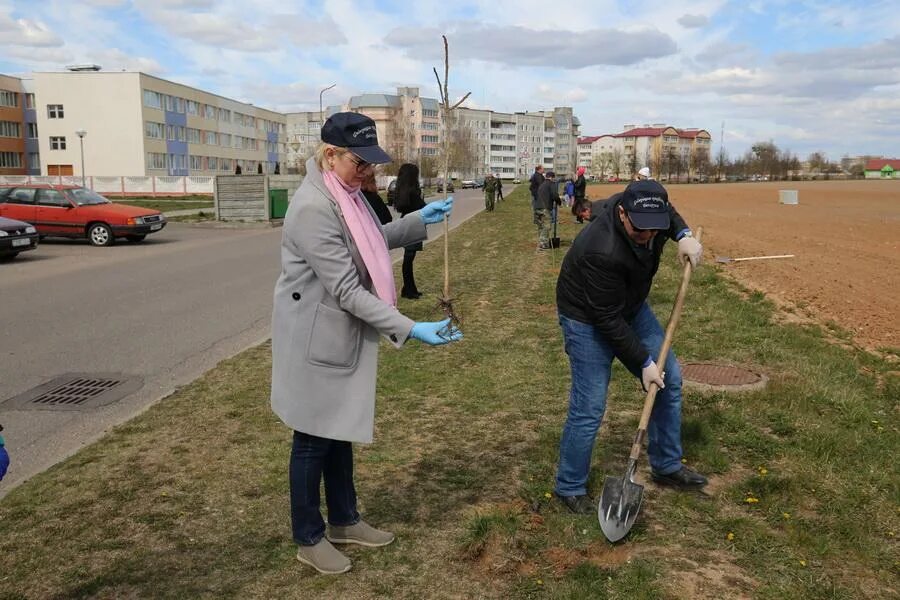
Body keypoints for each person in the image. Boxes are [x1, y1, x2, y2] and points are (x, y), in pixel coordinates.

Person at [270, 112, 462, 575]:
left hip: (338, 333)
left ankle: (344, 520)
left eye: (373, 163)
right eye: (361, 163)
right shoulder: (314, 207)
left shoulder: (346, 195)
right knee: (313, 437)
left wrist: (417, 221)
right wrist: (409, 326)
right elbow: (347, 289)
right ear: (330, 155)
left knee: (338, 433)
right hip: (316, 337)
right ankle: (308, 536)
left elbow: (366, 243)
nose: (369, 172)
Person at [553, 179, 705, 514]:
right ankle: (569, 487)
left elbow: (668, 213)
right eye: (640, 231)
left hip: (631, 306)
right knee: (590, 404)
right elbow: (607, 320)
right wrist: (644, 362)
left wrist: (682, 235)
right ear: (622, 214)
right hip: (587, 317)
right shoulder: (600, 248)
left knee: (671, 380)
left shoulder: (647, 210)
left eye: (655, 231)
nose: (648, 237)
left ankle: (666, 466)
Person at [392, 163, 426, 299]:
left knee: (408, 259)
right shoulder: (412, 191)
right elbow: (421, 207)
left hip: (410, 223)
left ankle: (409, 288)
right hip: (413, 225)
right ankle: (409, 290)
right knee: (408, 259)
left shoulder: (403, 190)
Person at [534, 170, 561, 250]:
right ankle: (543, 244)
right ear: (552, 177)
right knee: (546, 226)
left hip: (537, 207)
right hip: (545, 208)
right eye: (554, 178)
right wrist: (559, 201)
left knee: (540, 226)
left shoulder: (542, 185)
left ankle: (541, 241)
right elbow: (555, 195)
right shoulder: (551, 184)